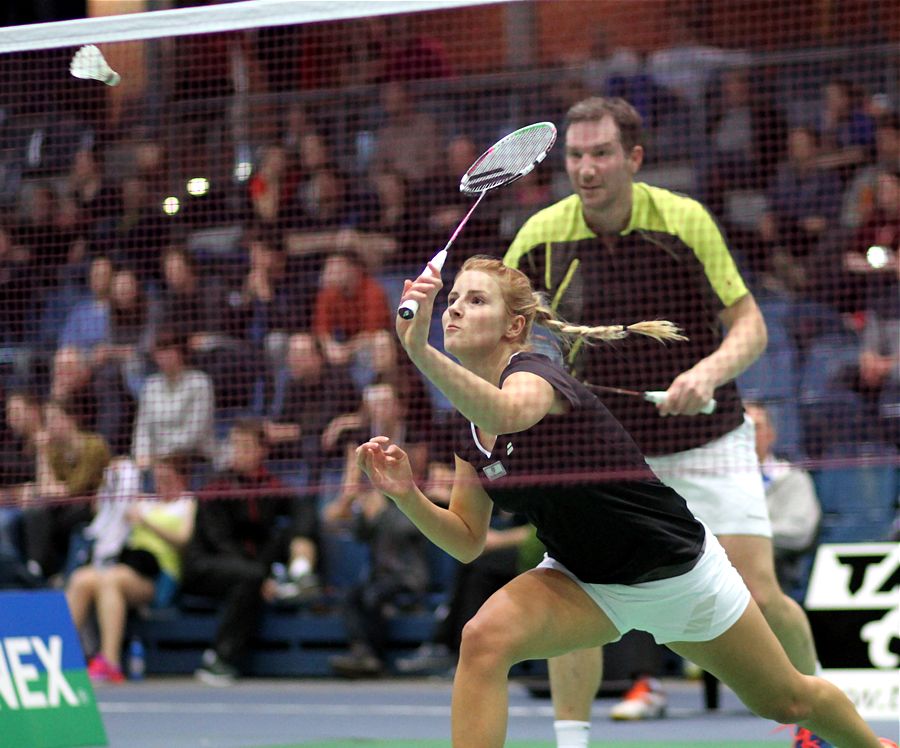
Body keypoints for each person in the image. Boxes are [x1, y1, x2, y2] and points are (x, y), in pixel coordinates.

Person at [355, 254, 889, 748]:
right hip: (585, 581)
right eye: (452, 300)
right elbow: (468, 541)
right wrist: (407, 495)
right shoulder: (466, 425)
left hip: (678, 574)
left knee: (787, 700)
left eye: (476, 300)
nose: (454, 309)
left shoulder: (536, 376)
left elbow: (507, 413)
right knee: (482, 639)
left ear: (514, 326)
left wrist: (418, 351)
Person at [501, 97, 825, 747]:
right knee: (572, 590)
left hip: (705, 438)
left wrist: (707, 372)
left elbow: (750, 326)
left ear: (634, 158)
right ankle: (571, 743)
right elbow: (506, 330)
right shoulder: (540, 235)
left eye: (601, 154)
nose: (586, 168)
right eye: (576, 155)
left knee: (758, 591)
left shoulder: (683, 221)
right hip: (608, 451)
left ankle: (817, 720)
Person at [183, 419, 319, 686]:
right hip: (205, 566)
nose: (238, 452)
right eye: (235, 445)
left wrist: (298, 537)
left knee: (302, 516)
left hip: (250, 569)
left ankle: (300, 574)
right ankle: (217, 659)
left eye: (245, 446)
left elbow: (301, 508)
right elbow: (220, 543)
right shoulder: (216, 489)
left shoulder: (269, 486)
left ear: (261, 450)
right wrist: (261, 575)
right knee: (250, 578)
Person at [65, 453, 196, 683]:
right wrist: (112, 478)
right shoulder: (143, 501)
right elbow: (103, 510)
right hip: (128, 565)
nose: (161, 483)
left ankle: (111, 663)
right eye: (158, 478)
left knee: (111, 580)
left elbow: (184, 540)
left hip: (160, 576)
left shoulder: (187, 503)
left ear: (180, 477)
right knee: (81, 579)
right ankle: (61, 656)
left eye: (167, 478)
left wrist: (146, 522)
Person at [21, 399, 110, 582]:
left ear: (69, 419)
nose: (49, 426)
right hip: (62, 507)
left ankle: (60, 573)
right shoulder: (54, 451)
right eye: (47, 420)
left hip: (91, 506)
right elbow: (44, 487)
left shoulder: (94, 445)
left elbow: (75, 488)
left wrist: (54, 490)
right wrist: (42, 453)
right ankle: (36, 568)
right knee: (35, 512)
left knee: (62, 518)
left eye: (53, 419)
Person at [744, 402, 821, 595]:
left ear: (770, 434)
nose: (748, 434)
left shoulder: (793, 479)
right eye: (741, 427)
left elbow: (799, 533)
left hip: (778, 578)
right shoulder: (713, 482)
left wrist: (739, 537)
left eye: (756, 427)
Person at [132, 330, 216, 471]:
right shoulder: (151, 385)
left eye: (168, 351)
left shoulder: (199, 382)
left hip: (193, 460)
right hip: (156, 462)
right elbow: (142, 429)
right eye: (159, 352)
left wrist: (162, 454)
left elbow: (194, 433)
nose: (163, 357)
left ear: (181, 353)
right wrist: (141, 455)